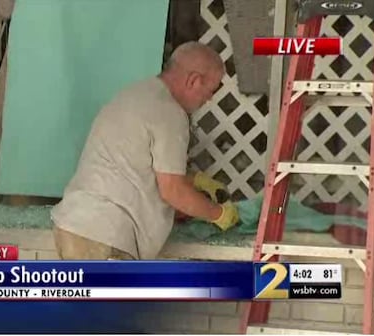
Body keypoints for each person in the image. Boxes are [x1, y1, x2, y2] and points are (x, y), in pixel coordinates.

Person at [51, 42, 239, 260]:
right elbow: (172, 192)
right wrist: (219, 214)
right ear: (193, 80)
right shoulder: (170, 113)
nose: (209, 99)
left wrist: (195, 181)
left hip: (76, 224)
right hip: (106, 235)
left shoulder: (136, 93)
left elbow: (137, 166)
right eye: (210, 90)